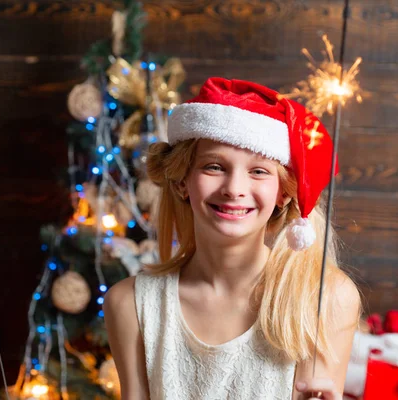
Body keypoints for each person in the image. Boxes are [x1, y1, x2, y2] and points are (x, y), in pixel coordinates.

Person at [104, 77, 361, 400]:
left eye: (259, 171)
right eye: (214, 166)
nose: (234, 189)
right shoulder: (132, 304)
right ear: (183, 182)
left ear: (283, 193)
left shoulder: (324, 300)